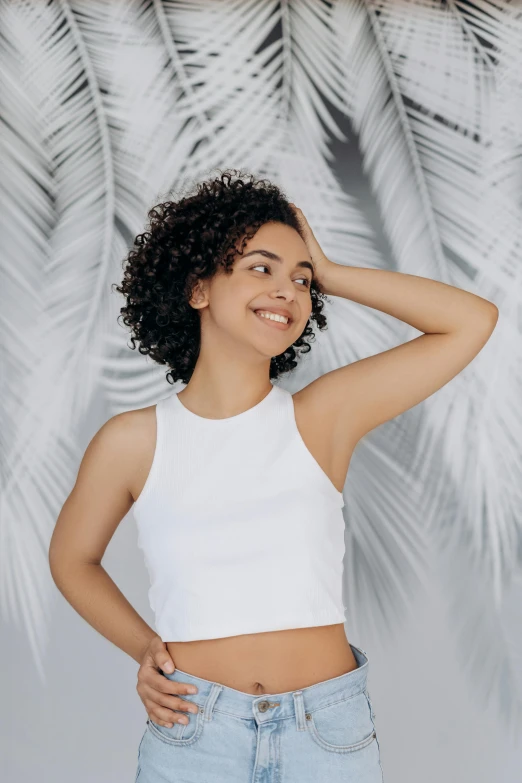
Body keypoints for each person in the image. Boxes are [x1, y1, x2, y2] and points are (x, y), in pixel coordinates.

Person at [48, 168, 498, 782]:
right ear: (198, 288)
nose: (288, 289)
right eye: (261, 268)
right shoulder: (132, 441)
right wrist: (145, 649)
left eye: (301, 278)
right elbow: (73, 558)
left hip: (327, 734)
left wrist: (332, 272)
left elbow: (471, 320)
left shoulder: (322, 418)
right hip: (195, 732)